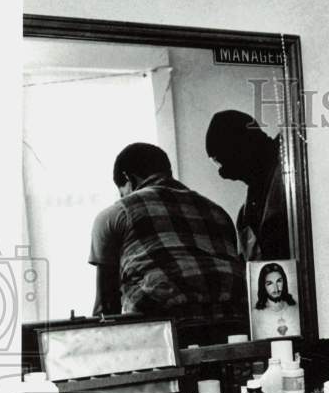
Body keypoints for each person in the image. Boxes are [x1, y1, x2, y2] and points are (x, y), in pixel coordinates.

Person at [89, 142, 248, 342]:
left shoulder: (115, 215)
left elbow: (106, 308)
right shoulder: (218, 212)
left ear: (128, 178)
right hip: (235, 327)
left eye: (122, 191)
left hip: (163, 333)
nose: (123, 197)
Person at [206, 109, 291, 261]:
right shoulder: (246, 215)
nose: (224, 174)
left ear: (242, 147)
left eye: (224, 161)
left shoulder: (292, 161)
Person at [251, 261, 301, 339]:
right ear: (263, 286)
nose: (276, 288)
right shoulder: (256, 315)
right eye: (270, 283)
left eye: (279, 281)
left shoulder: (296, 308)